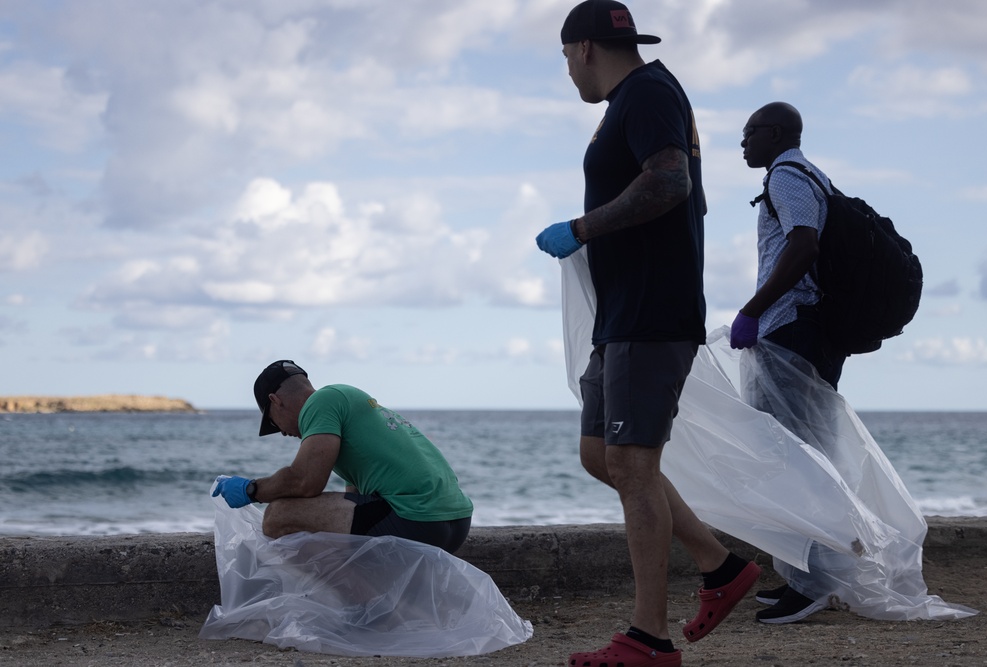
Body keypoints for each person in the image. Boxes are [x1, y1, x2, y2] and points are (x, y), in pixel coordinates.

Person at [535, 2, 761, 664]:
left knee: (634, 464)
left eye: (564, 60)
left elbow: (671, 183)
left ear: (580, 50)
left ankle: (648, 639)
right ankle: (718, 566)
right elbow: (690, 197)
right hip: (623, 311)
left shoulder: (649, 93)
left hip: (650, 313)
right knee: (601, 454)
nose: (568, 73)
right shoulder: (639, 98)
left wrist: (580, 228)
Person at [731, 101, 851, 622]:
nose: (742, 142)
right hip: (806, 329)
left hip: (792, 328)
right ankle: (804, 578)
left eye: (749, 132)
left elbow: (804, 244)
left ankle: (815, 585)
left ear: (775, 133)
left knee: (794, 460)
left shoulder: (787, 175)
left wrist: (753, 309)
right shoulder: (807, 174)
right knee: (803, 456)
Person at [212, 360, 474, 554]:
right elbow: (356, 495)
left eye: (273, 423)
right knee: (340, 538)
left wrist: (251, 489)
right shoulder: (348, 403)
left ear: (275, 401)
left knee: (278, 516)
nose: (282, 433)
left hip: (416, 519)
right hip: (455, 521)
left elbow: (306, 481)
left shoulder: (321, 402)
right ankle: (376, 611)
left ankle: (351, 615)